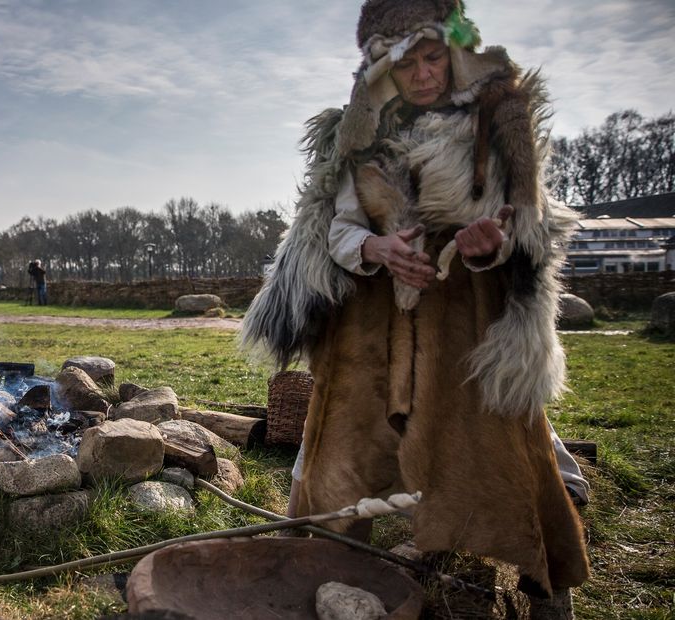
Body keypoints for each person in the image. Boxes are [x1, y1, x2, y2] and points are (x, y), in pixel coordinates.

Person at [241, 0, 588, 608]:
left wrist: (486, 246)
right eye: (408, 66)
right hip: (369, 324)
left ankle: (543, 579)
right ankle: (323, 568)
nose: (424, 75)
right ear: (383, 73)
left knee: (497, 447)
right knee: (344, 450)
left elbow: (523, 230)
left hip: (465, 320)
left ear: (452, 53)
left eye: (433, 58)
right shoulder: (360, 137)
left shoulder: (496, 126)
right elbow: (337, 227)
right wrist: (375, 245)